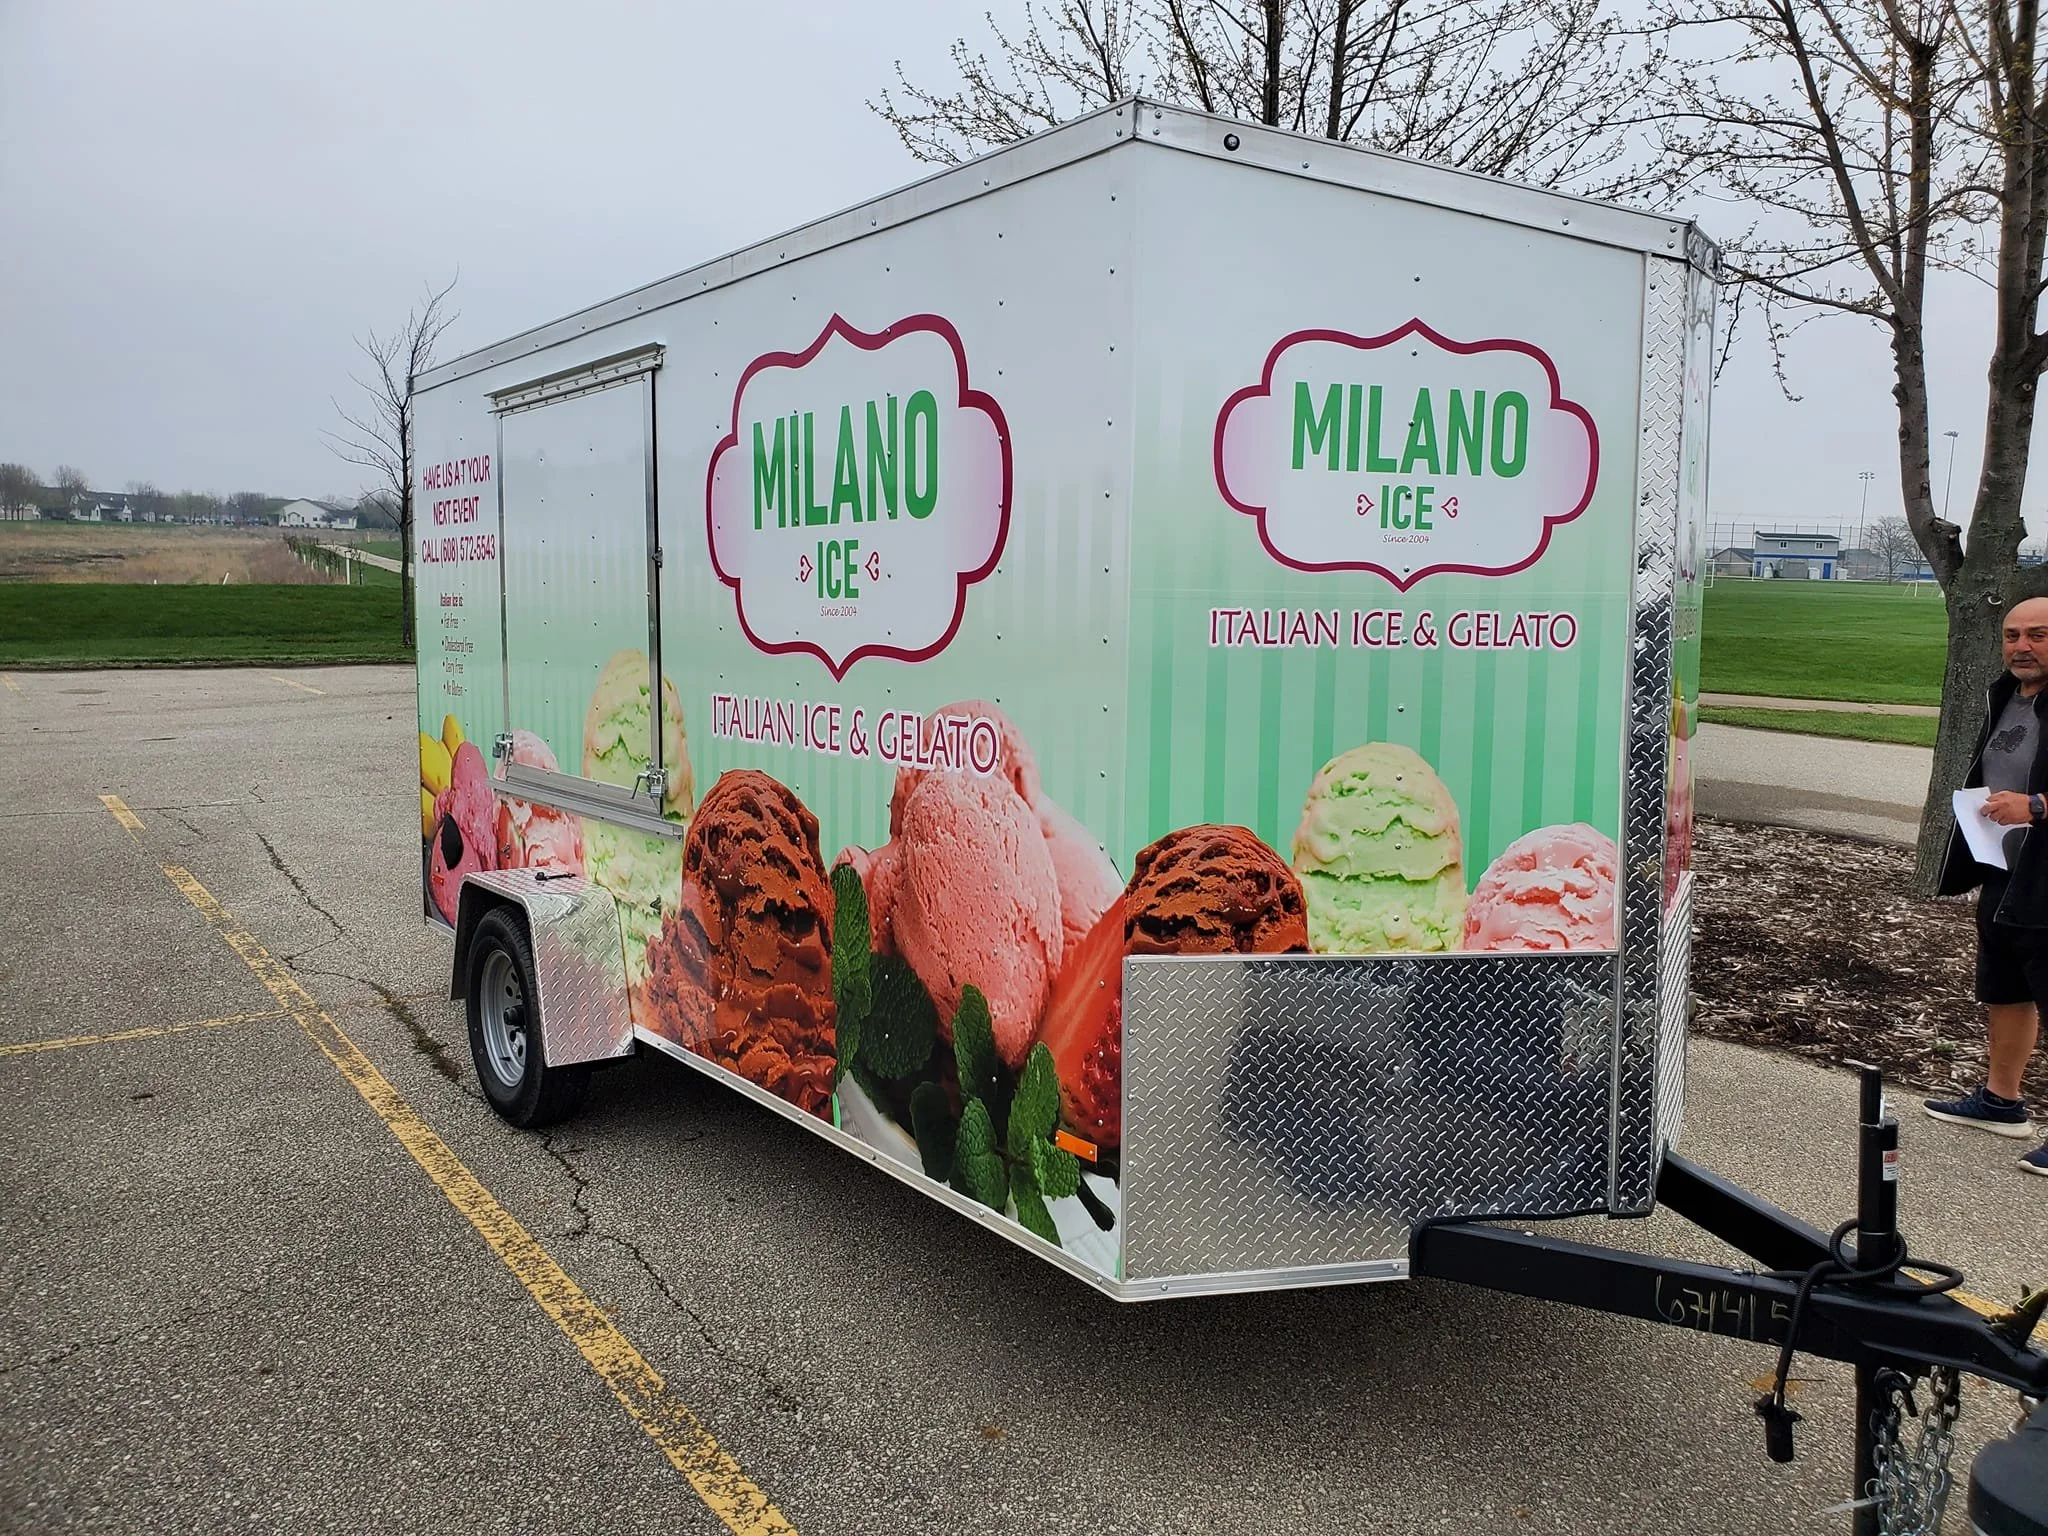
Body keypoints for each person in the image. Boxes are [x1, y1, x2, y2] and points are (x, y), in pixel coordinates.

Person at [1928, 595, 2048, 1176]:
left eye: (2039, 635)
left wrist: (2039, 805)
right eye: (2013, 636)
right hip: (2004, 869)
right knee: (2005, 987)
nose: (2022, 647)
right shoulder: (2006, 695)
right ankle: (2002, 1102)